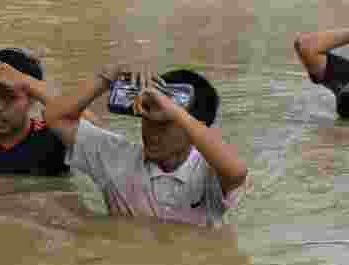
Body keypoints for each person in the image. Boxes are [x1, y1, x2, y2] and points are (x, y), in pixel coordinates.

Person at [44, 65, 248, 227]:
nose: (152, 131)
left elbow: (237, 172)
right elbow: (55, 117)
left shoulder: (208, 172)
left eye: (166, 123)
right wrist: (108, 77)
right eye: (148, 117)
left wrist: (175, 111)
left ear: (194, 127)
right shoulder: (116, 158)